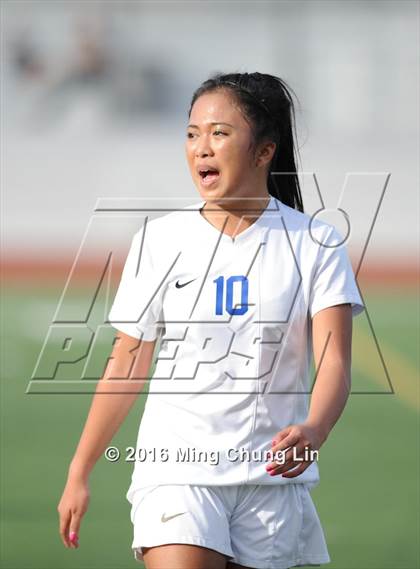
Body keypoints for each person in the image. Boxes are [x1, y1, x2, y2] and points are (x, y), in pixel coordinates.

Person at [57, 71, 365, 569]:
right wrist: (80, 469)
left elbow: (335, 365)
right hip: (176, 472)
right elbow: (126, 367)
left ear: (264, 152)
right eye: (192, 133)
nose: (201, 147)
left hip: (270, 479)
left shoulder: (316, 242)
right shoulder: (158, 241)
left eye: (219, 133)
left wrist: (315, 429)